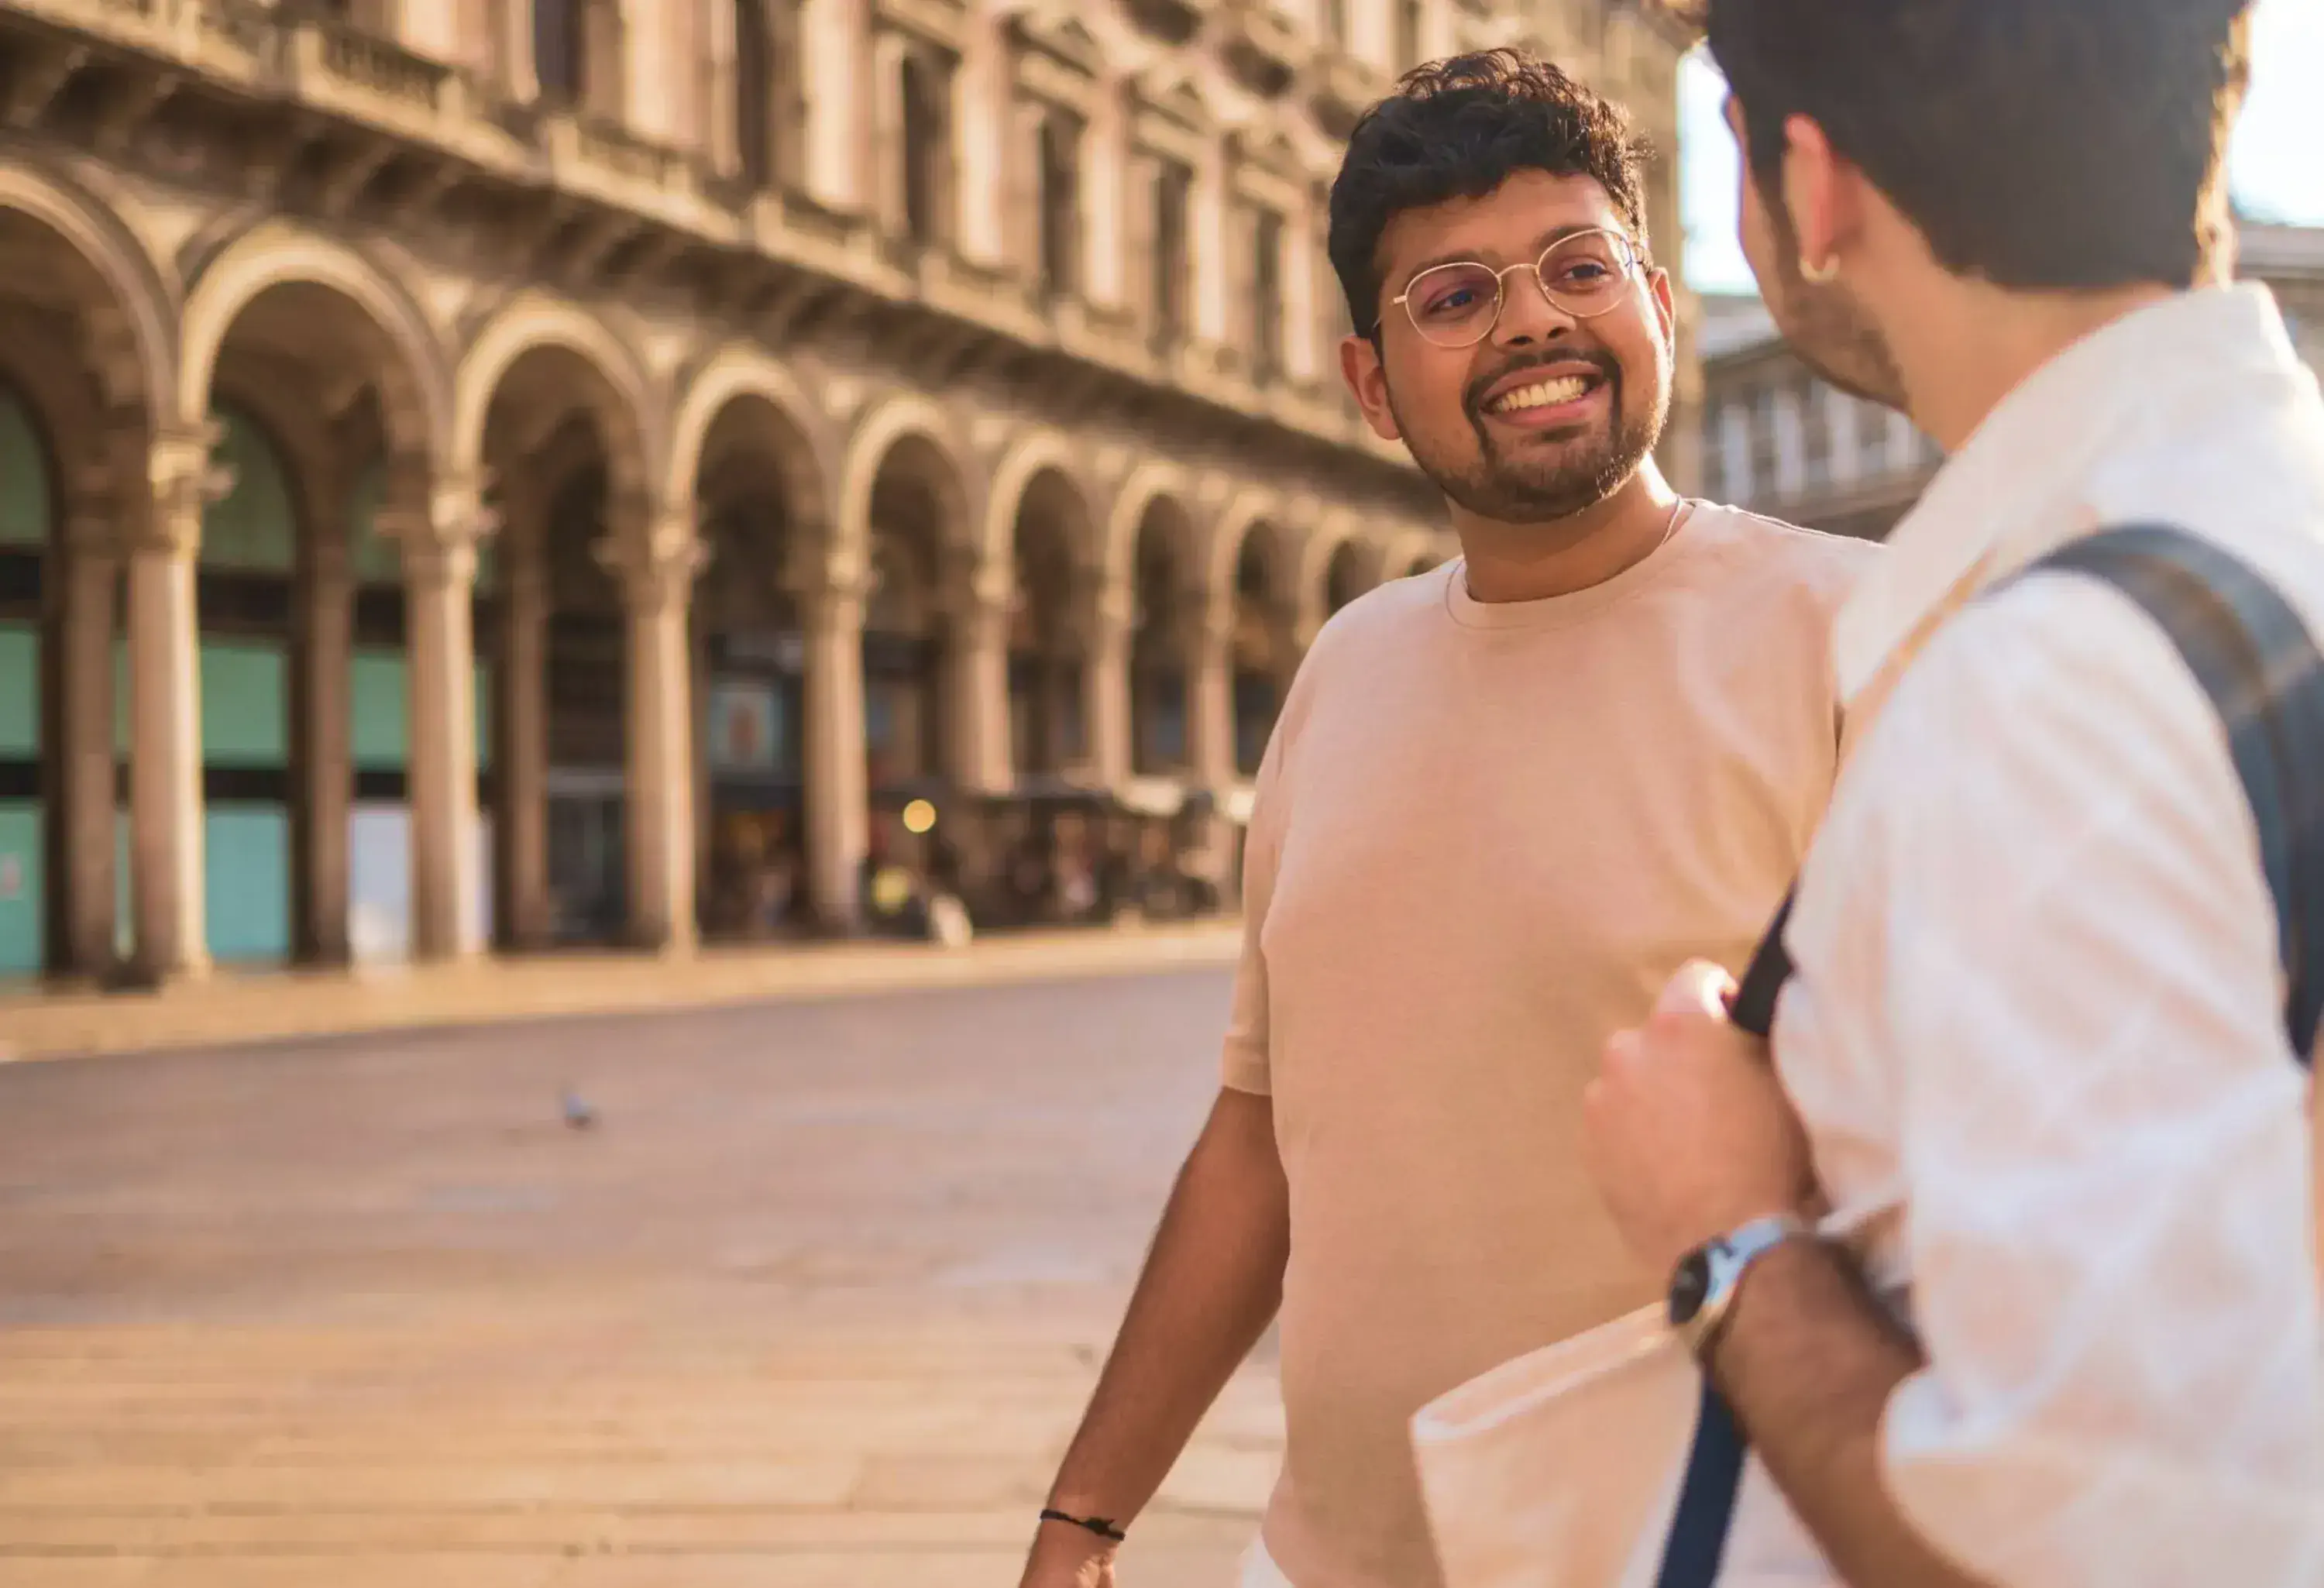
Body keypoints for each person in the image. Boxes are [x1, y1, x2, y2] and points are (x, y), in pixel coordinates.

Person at [1018, 52, 1879, 1588]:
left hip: (1703, 1554)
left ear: (1658, 305)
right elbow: (1261, 1135)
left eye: (1575, 266)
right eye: (1455, 295)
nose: (1533, 318)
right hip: (1327, 1559)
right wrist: (1085, 1515)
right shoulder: (1345, 668)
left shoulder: (1856, 635)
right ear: (1372, 381)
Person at [1582, 4, 2324, 1586]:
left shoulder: (2062, 678)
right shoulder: (2269, 528)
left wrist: (1729, 1227)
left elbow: (2079, 1551)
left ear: (1814, 180)